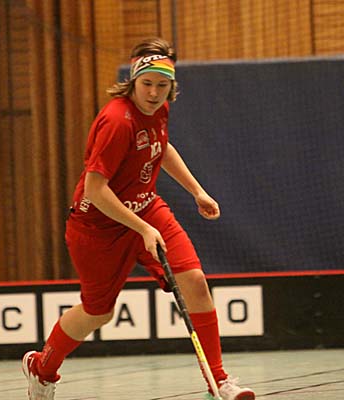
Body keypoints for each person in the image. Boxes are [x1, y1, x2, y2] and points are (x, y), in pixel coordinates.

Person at [21, 37, 256, 400]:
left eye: (162, 85)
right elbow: (95, 190)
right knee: (98, 313)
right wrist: (143, 228)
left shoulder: (159, 109)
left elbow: (161, 147)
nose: (154, 93)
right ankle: (42, 367)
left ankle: (218, 380)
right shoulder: (117, 121)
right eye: (147, 84)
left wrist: (197, 191)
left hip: (146, 208)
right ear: (133, 80)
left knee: (194, 282)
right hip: (98, 227)